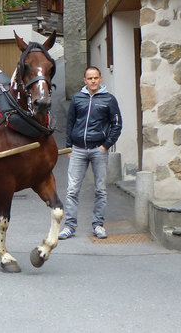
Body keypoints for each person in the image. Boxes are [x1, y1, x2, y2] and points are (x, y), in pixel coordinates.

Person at [59, 66, 122, 240]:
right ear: (85, 80)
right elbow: (70, 123)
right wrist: (69, 146)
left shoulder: (109, 100)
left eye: (96, 78)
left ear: (100, 79)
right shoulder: (77, 98)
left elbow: (117, 125)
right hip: (78, 150)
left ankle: (98, 225)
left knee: (100, 190)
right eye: (89, 78)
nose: (93, 81)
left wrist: (105, 146)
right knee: (72, 190)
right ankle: (69, 227)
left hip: (98, 150)